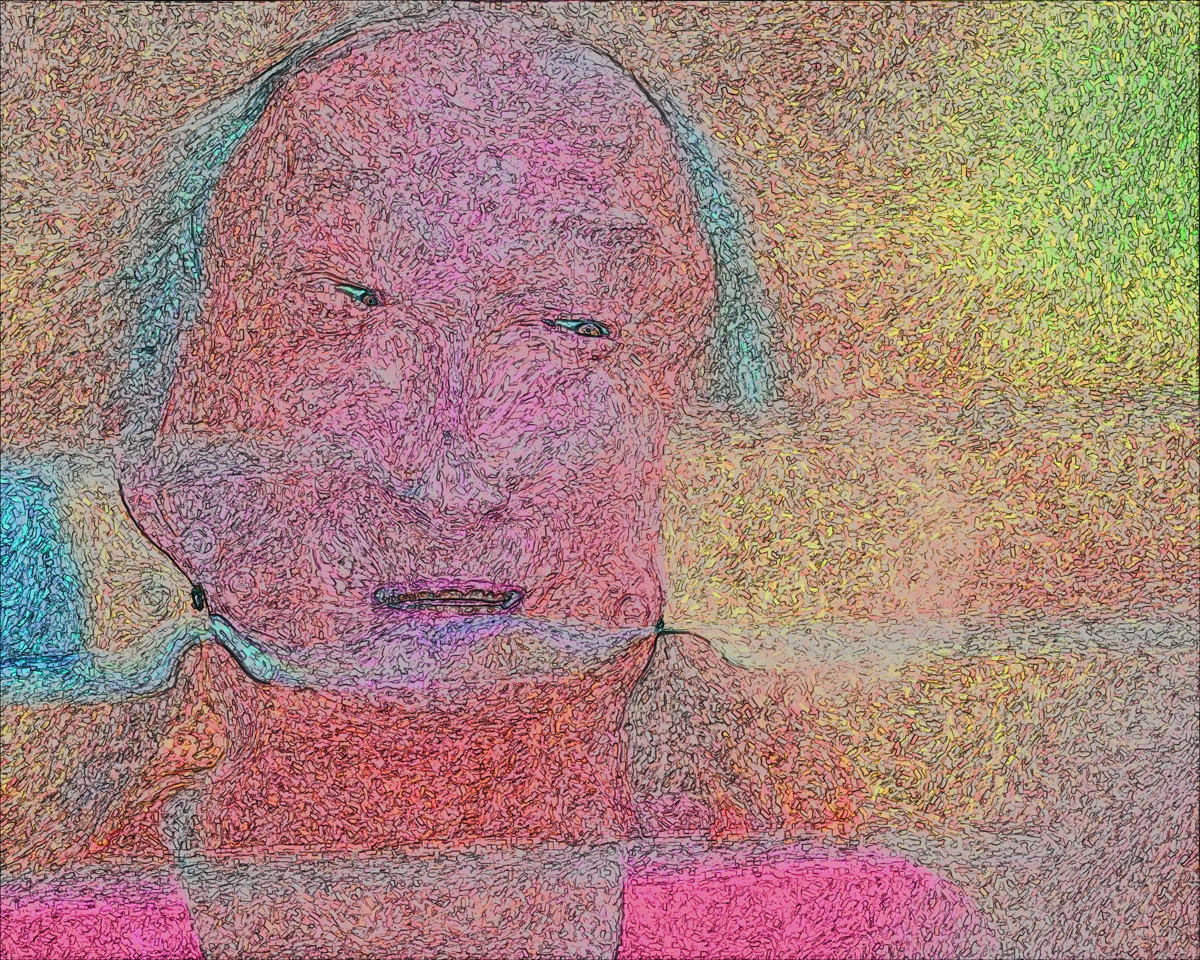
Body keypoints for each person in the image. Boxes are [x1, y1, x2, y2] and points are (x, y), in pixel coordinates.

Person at [2, 9, 996, 958]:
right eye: (347, 308)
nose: (449, 475)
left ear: (703, 449)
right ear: (158, 443)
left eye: (574, 326)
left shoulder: (862, 934)